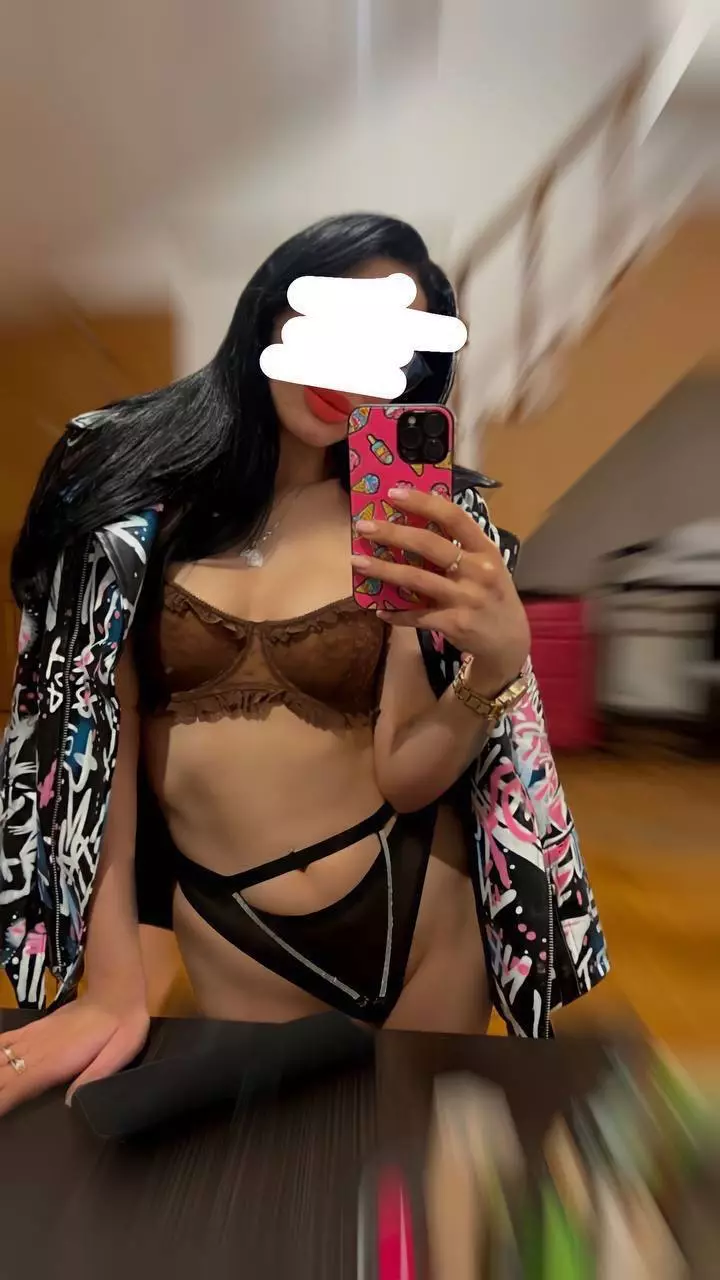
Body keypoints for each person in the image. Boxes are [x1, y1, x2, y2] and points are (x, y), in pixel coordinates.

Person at [0, 214, 608, 1116]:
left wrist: (496, 669)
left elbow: (407, 773)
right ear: (272, 310)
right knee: (279, 1168)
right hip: (236, 926)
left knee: (409, 1169)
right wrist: (112, 984)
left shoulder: (398, 524)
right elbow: (94, 757)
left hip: (422, 908)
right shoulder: (135, 509)